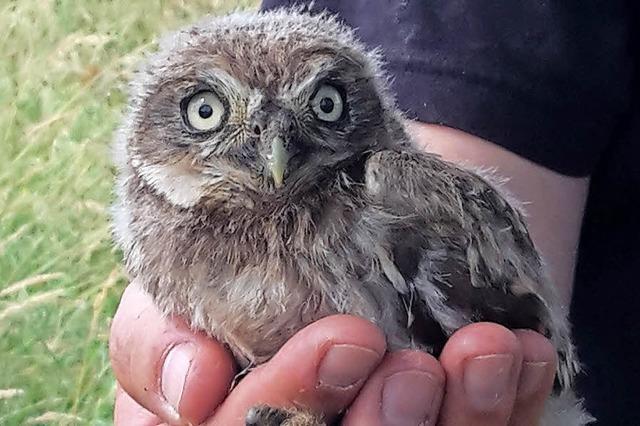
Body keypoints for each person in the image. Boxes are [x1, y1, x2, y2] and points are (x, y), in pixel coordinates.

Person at [109, 1, 639, 424]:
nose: (275, 151)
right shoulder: (161, 232)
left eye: (324, 106)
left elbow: (544, 377)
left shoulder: (394, 192)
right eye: (208, 113)